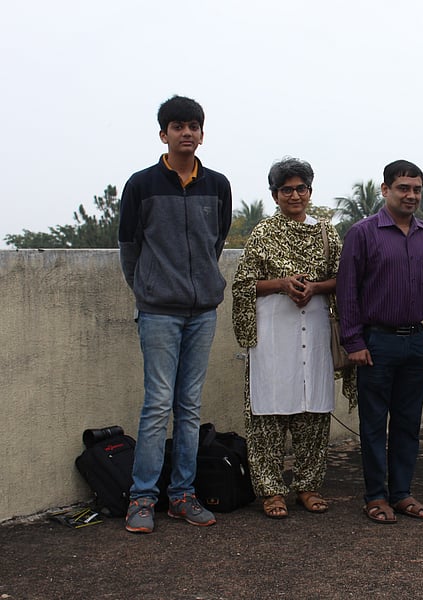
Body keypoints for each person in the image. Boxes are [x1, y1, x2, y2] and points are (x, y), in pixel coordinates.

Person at [118, 95, 231, 533]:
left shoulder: (217, 185)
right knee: (157, 404)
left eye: (194, 126)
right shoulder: (142, 184)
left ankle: (182, 495)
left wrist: (199, 286)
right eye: (178, 125)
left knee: (188, 406)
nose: (187, 132)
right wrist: (150, 291)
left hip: (203, 311)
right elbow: (130, 249)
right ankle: (141, 498)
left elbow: (215, 244)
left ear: (202, 133)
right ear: (163, 133)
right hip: (159, 313)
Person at [337, 160, 423, 524]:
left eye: (416, 189)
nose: (411, 195)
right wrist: (353, 341)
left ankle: (401, 493)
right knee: (373, 425)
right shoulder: (363, 233)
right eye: (403, 188)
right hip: (376, 344)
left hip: (416, 343)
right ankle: (375, 496)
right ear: (385, 190)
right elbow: (347, 291)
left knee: (407, 424)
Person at [232, 157, 341, 519]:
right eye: (286, 190)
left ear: (310, 191)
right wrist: (281, 284)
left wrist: (315, 287)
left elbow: (344, 279)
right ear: (275, 195)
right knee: (268, 415)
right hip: (273, 336)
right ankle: (271, 491)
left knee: (313, 413)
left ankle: (308, 487)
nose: (294, 195)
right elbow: (244, 283)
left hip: (316, 330)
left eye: (300, 188)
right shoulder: (263, 234)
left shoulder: (327, 232)